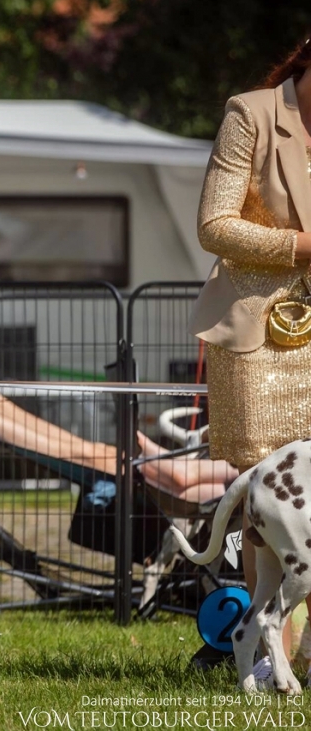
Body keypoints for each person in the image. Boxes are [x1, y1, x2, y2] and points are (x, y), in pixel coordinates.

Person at [188, 36, 311, 678]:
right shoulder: (253, 113)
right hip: (260, 340)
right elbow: (215, 224)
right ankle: (270, 655)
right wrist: (300, 246)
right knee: (268, 503)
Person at [0, 327, 238, 504]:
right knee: (68, 442)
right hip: (167, 476)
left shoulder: (262, 477)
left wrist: (150, 451)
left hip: (166, 484)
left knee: (72, 448)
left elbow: (184, 480)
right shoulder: (265, 470)